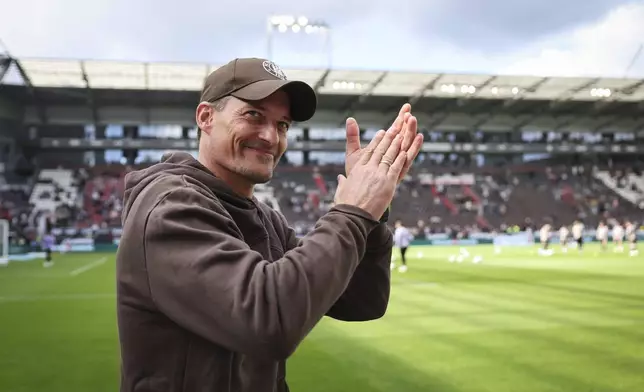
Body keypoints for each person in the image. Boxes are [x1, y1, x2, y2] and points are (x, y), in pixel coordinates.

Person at [115, 57, 423, 392]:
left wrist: (373, 216)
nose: (270, 136)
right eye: (253, 115)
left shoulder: (265, 218)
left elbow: (362, 301)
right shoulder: (169, 205)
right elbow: (269, 321)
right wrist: (353, 211)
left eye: (282, 125)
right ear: (206, 117)